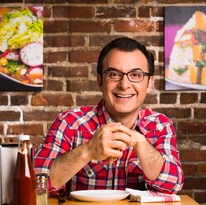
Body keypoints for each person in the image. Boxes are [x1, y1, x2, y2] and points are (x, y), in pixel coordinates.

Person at [34, 37, 184, 194]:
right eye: (113, 74)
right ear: (100, 80)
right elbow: (35, 184)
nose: (124, 85)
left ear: (149, 83)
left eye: (136, 75)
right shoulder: (70, 122)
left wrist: (140, 142)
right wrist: (88, 151)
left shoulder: (160, 125)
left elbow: (173, 185)